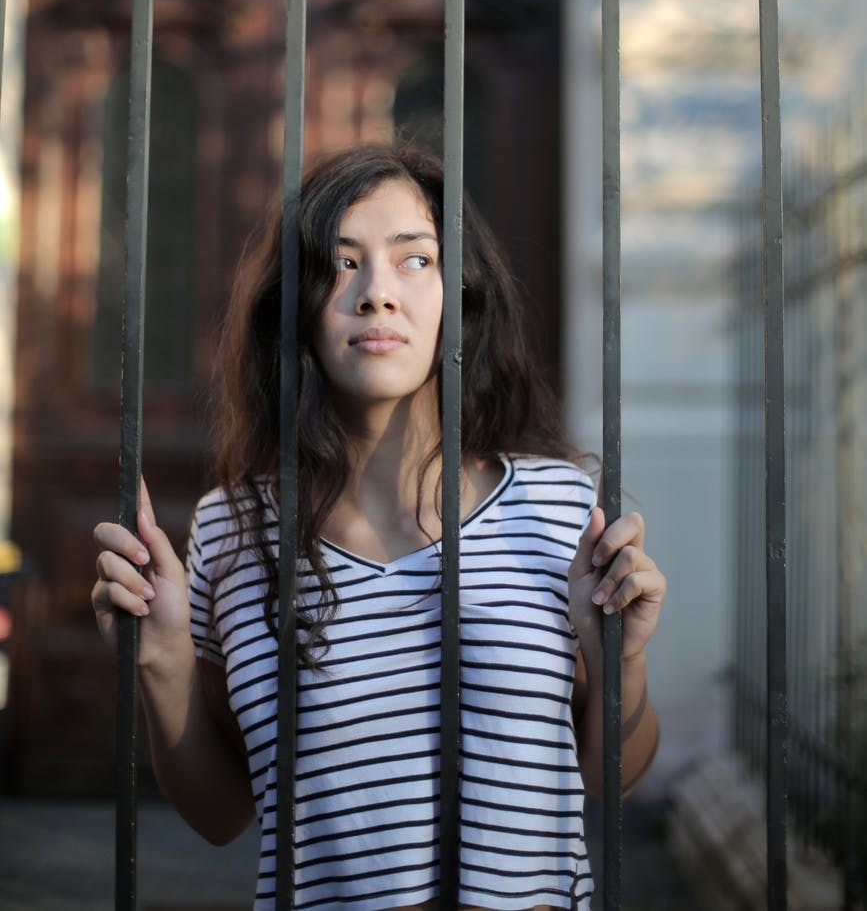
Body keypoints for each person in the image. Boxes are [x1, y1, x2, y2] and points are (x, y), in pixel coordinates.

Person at [92, 142, 666, 911]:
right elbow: (221, 815)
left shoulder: (556, 508)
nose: (376, 294)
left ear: (458, 294)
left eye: (414, 259)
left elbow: (608, 775)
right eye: (339, 262)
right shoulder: (234, 530)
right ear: (292, 304)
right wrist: (161, 660)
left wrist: (621, 660)